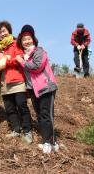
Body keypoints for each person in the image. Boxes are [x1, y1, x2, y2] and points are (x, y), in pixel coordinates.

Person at [15, 25, 59, 154]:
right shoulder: (25, 56)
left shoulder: (39, 51)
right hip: (34, 90)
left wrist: (21, 62)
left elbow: (37, 67)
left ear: (33, 40)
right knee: (40, 115)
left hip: (46, 87)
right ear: (21, 43)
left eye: (29, 39)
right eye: (24, 40)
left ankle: (48, 142)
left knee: (46, 115)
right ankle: (52, 141)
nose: (27, 41)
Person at [0, 21, 33, 144]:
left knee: (21, 105)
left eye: (3, 31)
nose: (2, 34)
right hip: (3, 81)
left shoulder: (16, 43)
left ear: (9, 31)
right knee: (9, 108)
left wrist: (4, 63)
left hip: (16, 79)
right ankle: (16, 129)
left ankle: (28, 131)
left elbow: (19, 59)